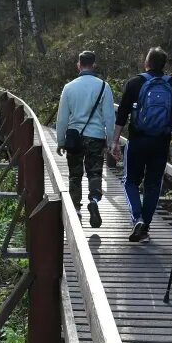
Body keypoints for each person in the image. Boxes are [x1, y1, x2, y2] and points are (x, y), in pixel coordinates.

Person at [110, 47, 172, 242]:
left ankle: (137, 218)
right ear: (163, 65)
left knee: (130, 181)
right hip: (160, 143)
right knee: (153, 185)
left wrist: (115, 140)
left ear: (147, 63)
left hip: (137, 141)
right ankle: (145, 227)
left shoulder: (135, 83)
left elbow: (122, 114)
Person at [56, 51, 116, 227]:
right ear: (94, 64)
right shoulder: (104, 86)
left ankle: (76, 210)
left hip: (74, 137)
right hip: (96, 137)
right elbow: (109, 117)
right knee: (95, 172)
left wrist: (61, 141)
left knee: (75, 175)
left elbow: (62, 118)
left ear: (79, 64)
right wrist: (111, 140)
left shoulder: (69, 87)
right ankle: (95, 201)